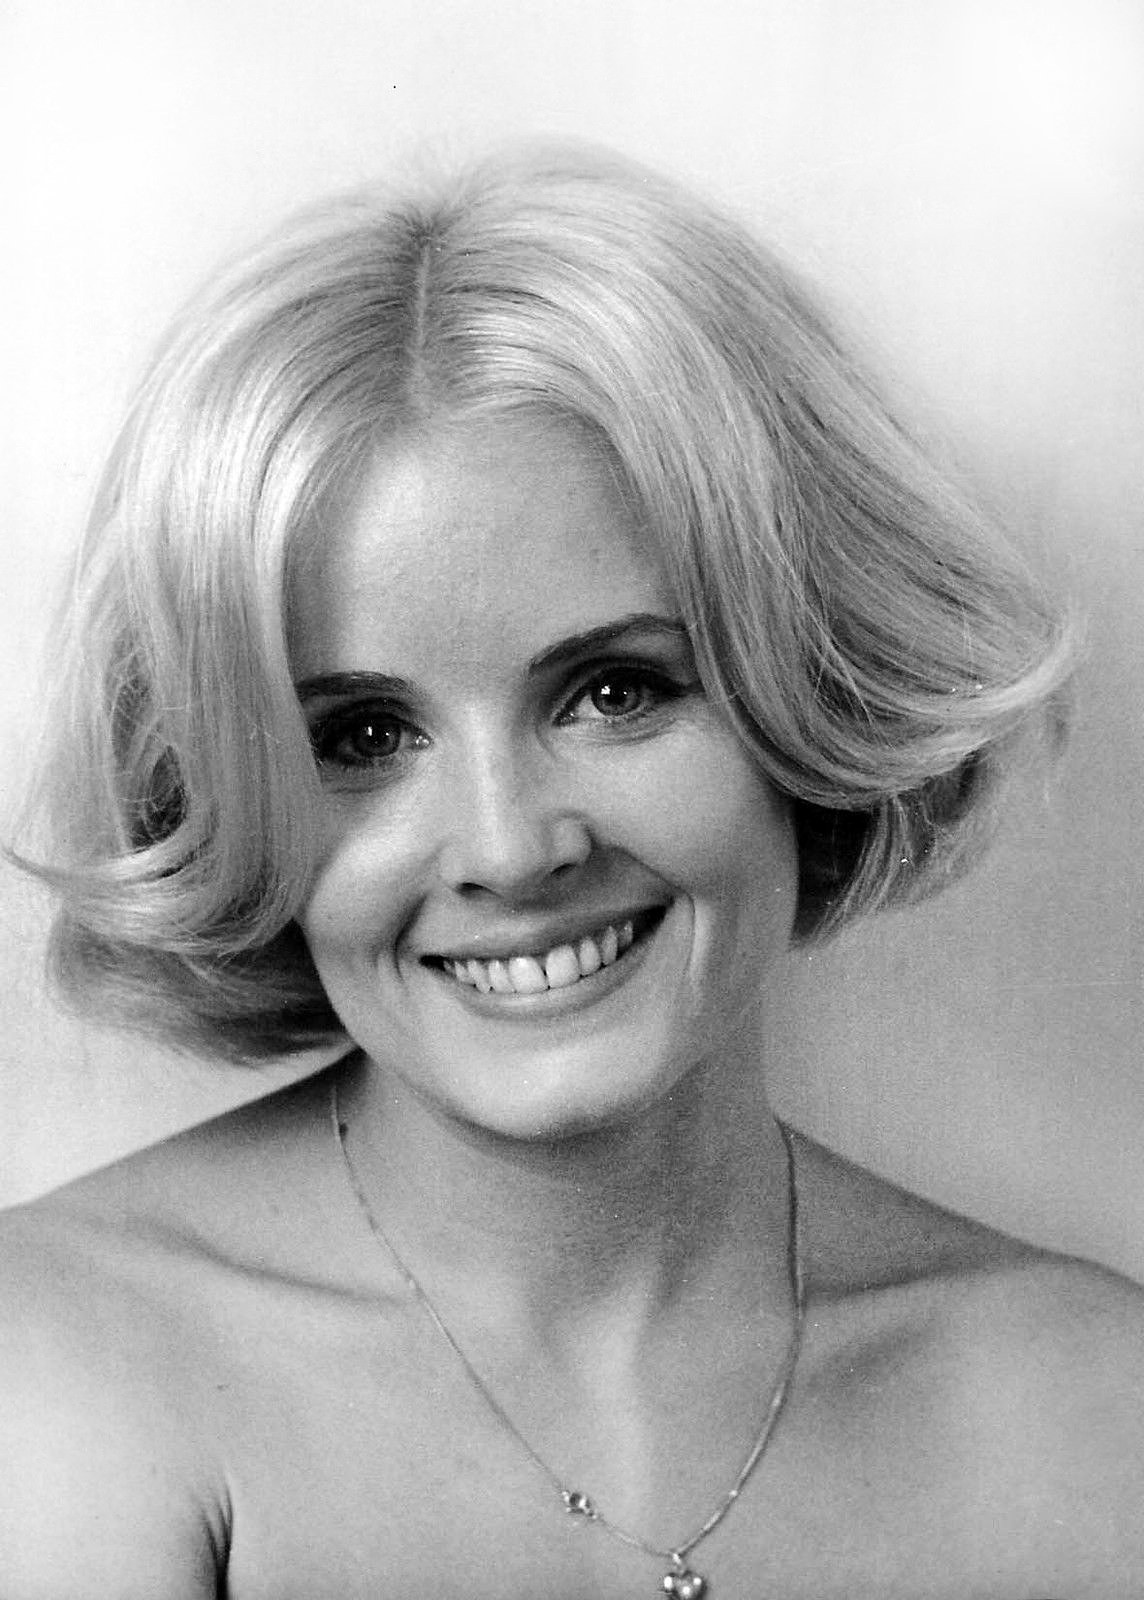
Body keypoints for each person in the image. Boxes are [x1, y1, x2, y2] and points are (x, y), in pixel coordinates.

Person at [2, 143, 1142, 1600]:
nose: (508, 847)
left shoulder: (1091, 1411)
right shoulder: (59, 1367)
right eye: (363, 735)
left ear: (814, 693)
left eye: (614, 692)